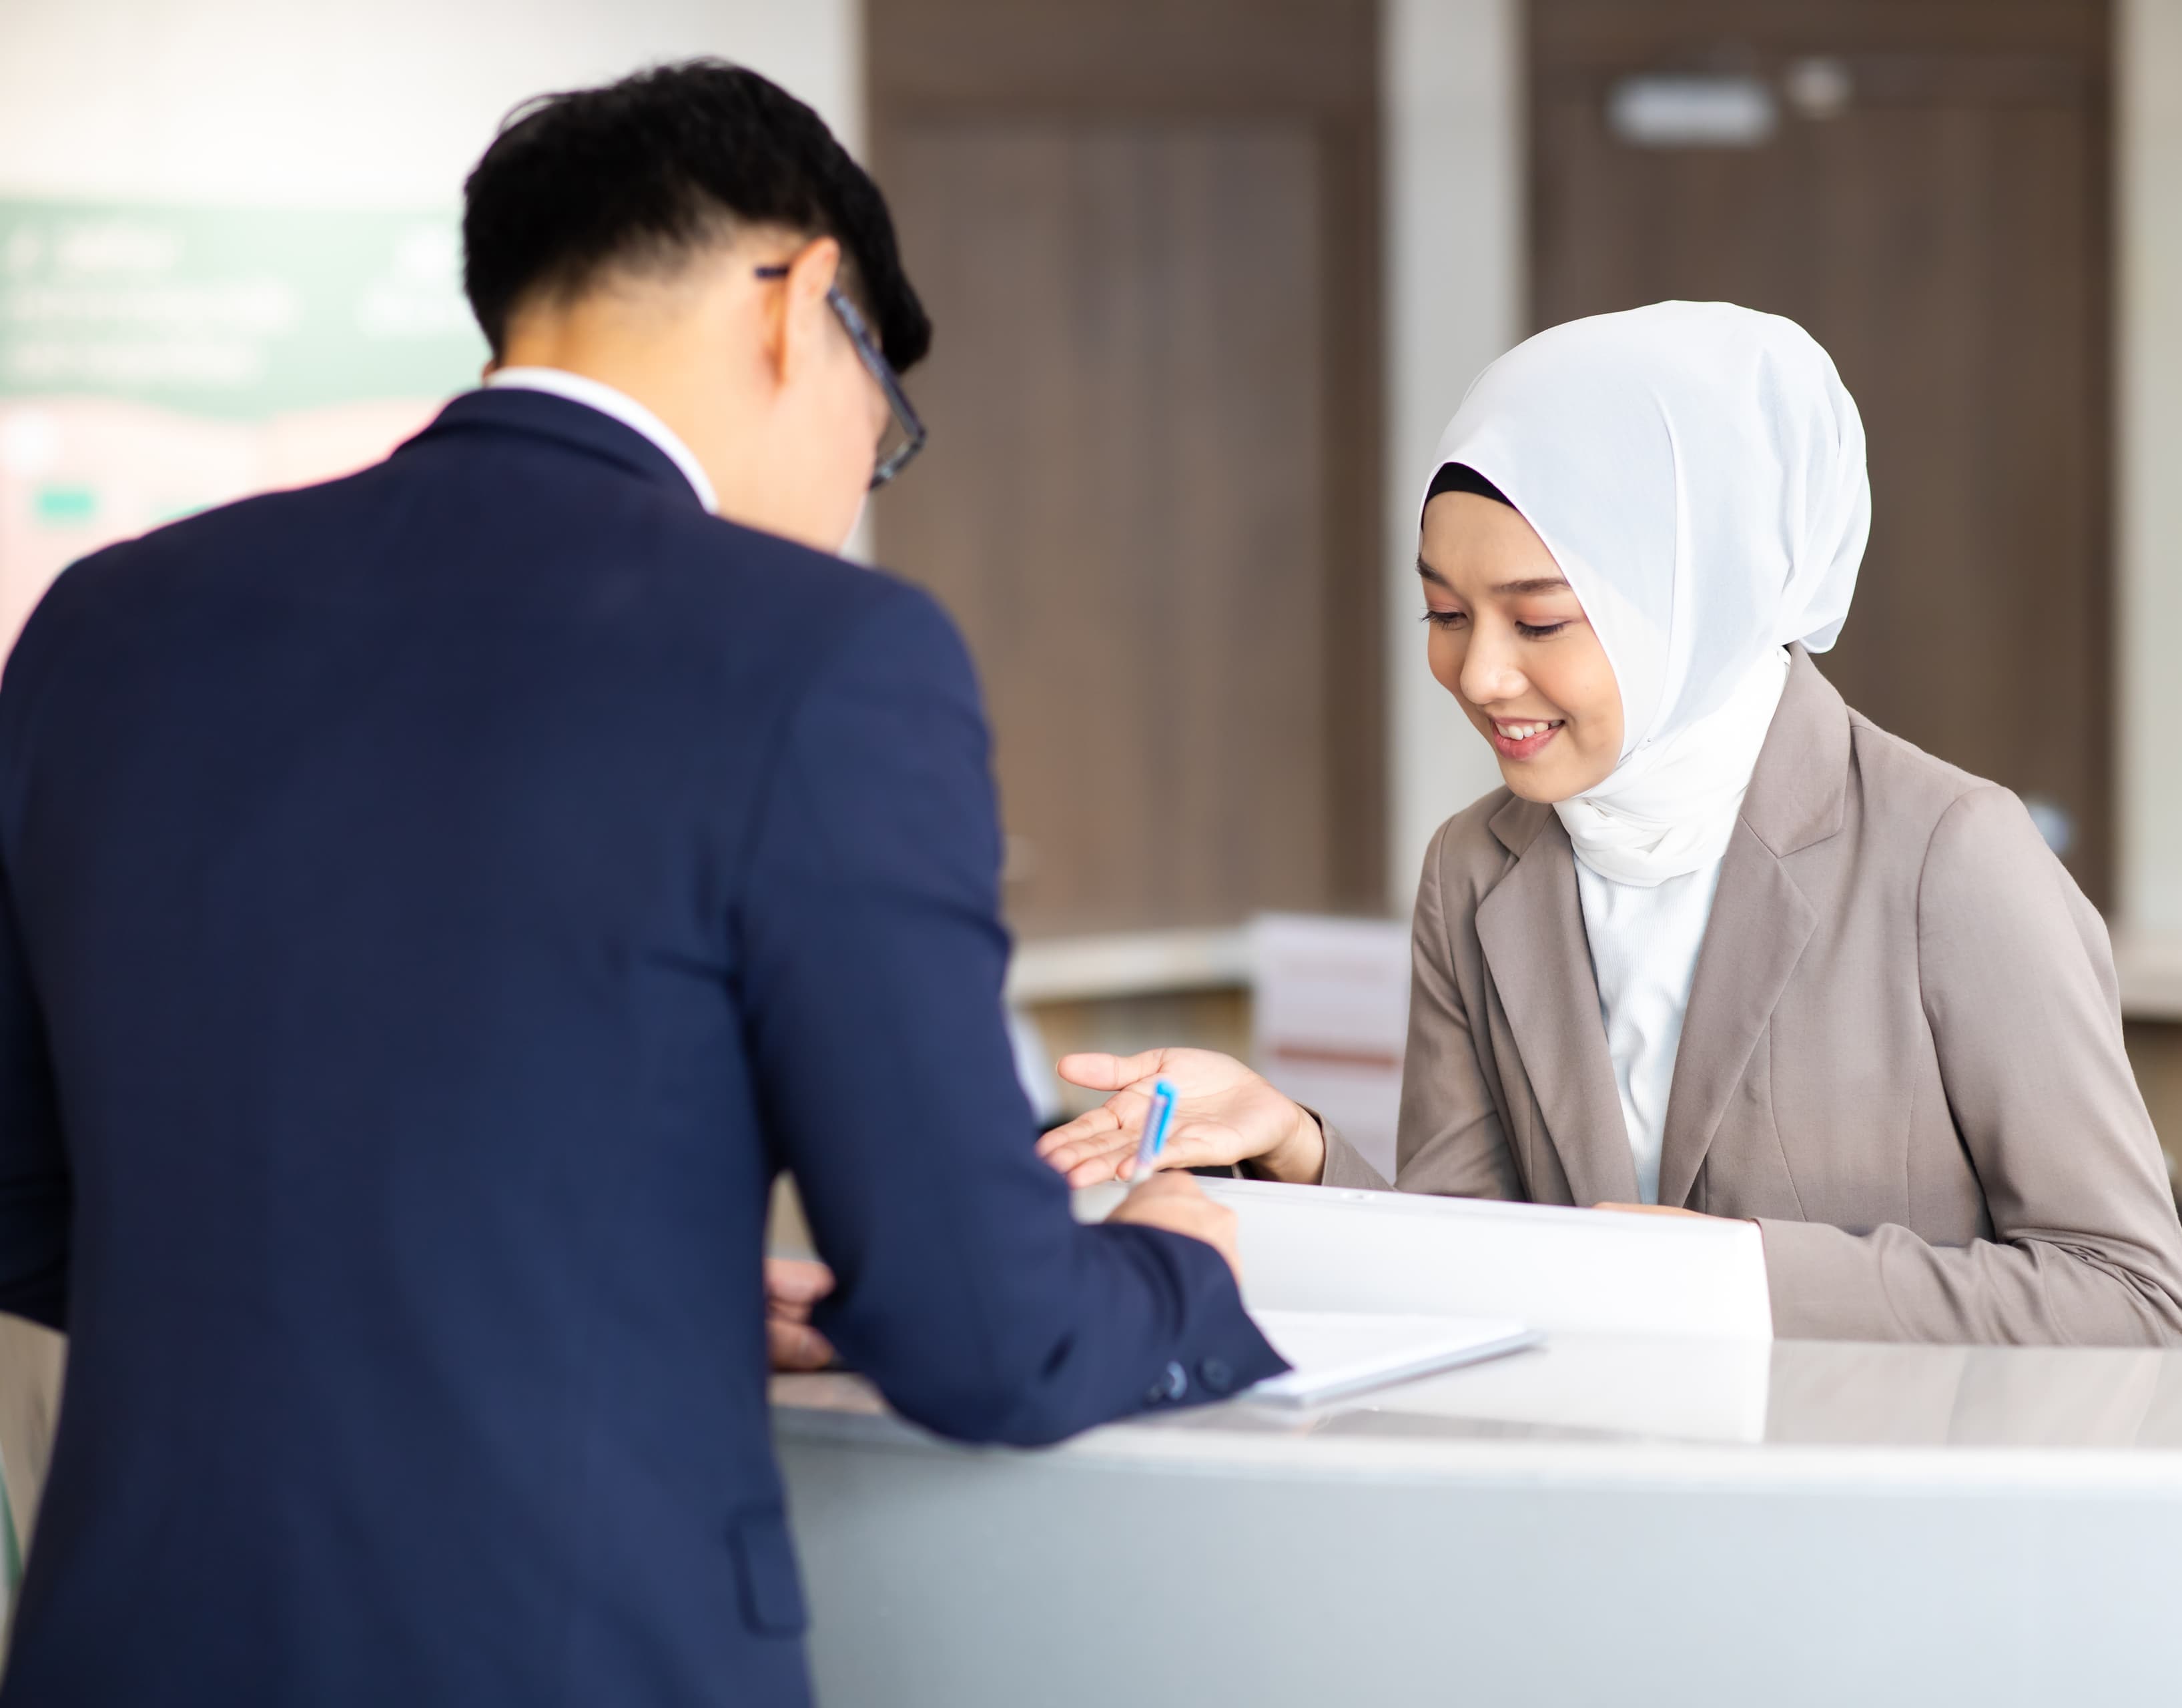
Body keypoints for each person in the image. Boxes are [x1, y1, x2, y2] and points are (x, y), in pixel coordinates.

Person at [0, 61, 1280, 1707]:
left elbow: (24, 1204)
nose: (854, 486)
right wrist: (1192, 1259)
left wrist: (625, 1280)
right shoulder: (824, 661)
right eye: (880, 425)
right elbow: (987, 1330)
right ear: (806, 299)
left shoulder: (110, 625)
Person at [1040, 302, 2182, 1347]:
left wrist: (1734, 1279)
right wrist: (1292, 1141)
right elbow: (1467, 1268)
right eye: (1444, 612)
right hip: (1587, 1530)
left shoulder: (1951, 855)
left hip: (1868, 1540)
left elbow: (2128, 1291)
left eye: (1538, 622)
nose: (1480, 674)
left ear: (1693, 604)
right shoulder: (1478, 869)